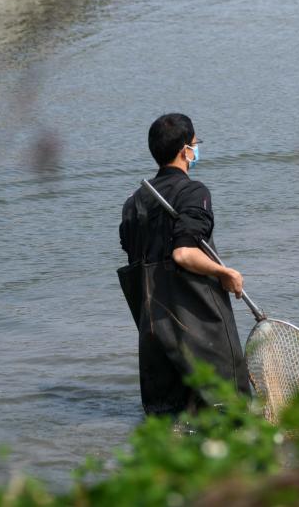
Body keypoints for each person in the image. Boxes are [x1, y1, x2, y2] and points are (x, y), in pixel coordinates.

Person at [118, 113, 251, 416]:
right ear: (184, 151)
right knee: (228, 414)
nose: (195, 150)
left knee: (167, 421)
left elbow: (135, 256)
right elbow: (183, 254)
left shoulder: (133, 203)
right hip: (199, 321)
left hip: (153, 329)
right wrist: (224, 272)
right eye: (194, 144)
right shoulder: (194, 192)